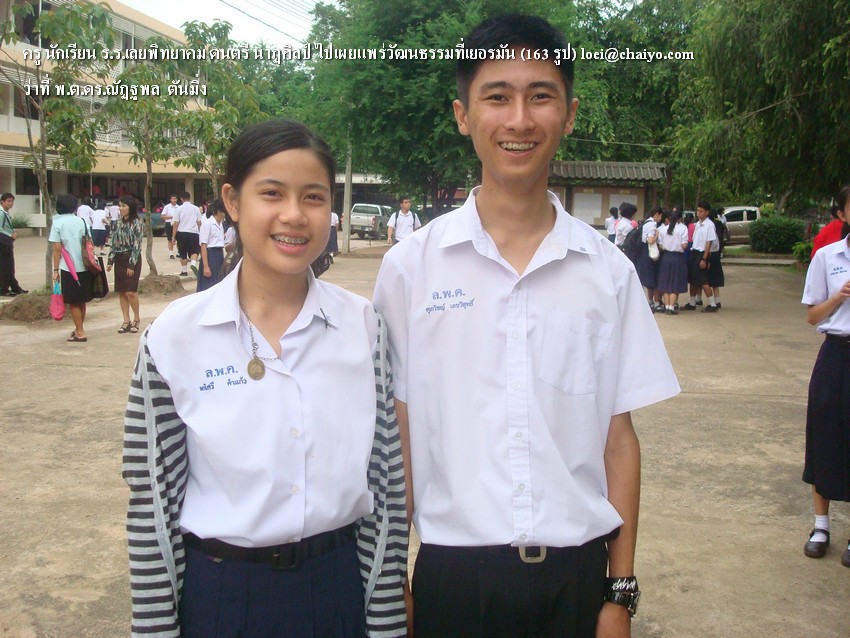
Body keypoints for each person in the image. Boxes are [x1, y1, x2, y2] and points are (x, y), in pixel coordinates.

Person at [373, 14, 679, 638]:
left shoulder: (608, 273)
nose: (519, 120)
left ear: (569, 115)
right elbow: (397, 436)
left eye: (541, 96)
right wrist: (393, 581)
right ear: (463, 114)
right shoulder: (410, 269)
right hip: (452, 579)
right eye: (497, 97)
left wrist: (619, 592)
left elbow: (618, 440)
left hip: (576, 578)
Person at [122, 118, 407, 638]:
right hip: (222, 597)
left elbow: (385, 489)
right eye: (272, 193)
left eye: (313, 197)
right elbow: (152, 507)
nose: (294, 215)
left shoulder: (363, 327)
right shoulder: (174, 337)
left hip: (336, 589)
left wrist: (385, 623)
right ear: (232, 201)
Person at [800, 184, 850, 569]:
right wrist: (838, 297)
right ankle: (820, 526)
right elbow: (812, 316)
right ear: (843, 214)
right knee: (825, 433)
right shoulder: (827, 256)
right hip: (836, 354)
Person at [49, 194, 93, 342]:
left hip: (68, 268)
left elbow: (56, 249)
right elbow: (89, 241)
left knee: (73, 301)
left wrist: (55, 270)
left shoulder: (57, 223)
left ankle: (80, 332)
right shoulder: (82, 221)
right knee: (81, 300)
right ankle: (79, 328)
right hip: (85, 266)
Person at [107, 195, 143, 334]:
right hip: (119, 259)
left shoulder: (137, 223)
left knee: (130, 291)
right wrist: (110, 260)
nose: (121, 208)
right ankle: (126, 321)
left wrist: (131, 264)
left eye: (124, 206)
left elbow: (137, 245)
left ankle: (136, 318)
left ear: (131, 207)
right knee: (122, 291)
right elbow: (114, 243)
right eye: (120, 206)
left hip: (132, 259)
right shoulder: (116, 223)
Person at [682, 202, 719, 312]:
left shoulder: (709, 225)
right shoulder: (698, 224)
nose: (698, 213)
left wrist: (704, 258)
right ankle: (692, 303)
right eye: (698, 211)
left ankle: (713, 304)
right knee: (693, 279)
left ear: (707, 212)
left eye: (701, 211)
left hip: (702, 253)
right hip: (694, 252)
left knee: (703, 280)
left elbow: (709, 243)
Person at [656, 210, 689, 315]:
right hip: (677, 257)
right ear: (680, 219)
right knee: (675, 283)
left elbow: (660, 246)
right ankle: (671, 307)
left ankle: (666, 307)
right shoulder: (683, 229)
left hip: (666, 257)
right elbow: (684, 245)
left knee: (666, 283)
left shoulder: (663, 229)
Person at [636, 206, 663, 312]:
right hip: (649, 253)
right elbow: (651, 240)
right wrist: (657, 235)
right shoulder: (652, 224)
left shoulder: (645, 222)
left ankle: (650, 301)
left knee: (647, 278)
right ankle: (656, 303)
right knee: (653, 278)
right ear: (657, 214)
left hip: (643, 253)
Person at [196, 198, 227, 291]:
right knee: (209, 285)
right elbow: (203, 245)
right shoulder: (208, 224)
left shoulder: (221, 224)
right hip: (210, 255)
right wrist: (206, 266)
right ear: (219, 211)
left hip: (219, 254)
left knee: (218, 283)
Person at [0, 192, 26, 296]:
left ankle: (14, 287)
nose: (11, 203)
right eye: (8, 201)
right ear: (2, 202)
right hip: (4, 242)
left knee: (8, 266)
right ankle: (5, 289)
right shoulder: (1, 213)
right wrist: (11, 236)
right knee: (6, 266)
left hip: (6, 241)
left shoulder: (5, 212)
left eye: (12, 201)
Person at [172, 191, 202, 277]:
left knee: (183, 252)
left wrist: (173, 237)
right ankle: (193, 264)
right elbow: (199, 222)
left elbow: (175, 224)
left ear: (181, 199)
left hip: (182, 233)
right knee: (194, 251)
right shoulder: (196, 208)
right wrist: (200, 232)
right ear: (189, 198)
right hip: (194, 233)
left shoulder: (178, 209)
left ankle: (184, 271)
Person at [161, 194, 180, 259]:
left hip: (177, 224)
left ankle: (179, 252)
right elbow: (162, 216)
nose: (173, 200)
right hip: (169, 223)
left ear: (176, 200)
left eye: (175, 199)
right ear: (170, 199)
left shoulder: (179, 207)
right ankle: (171, 253)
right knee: (170, 239)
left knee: (178, 238)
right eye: (172, 199)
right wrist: (171, 217)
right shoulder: (167, 207)